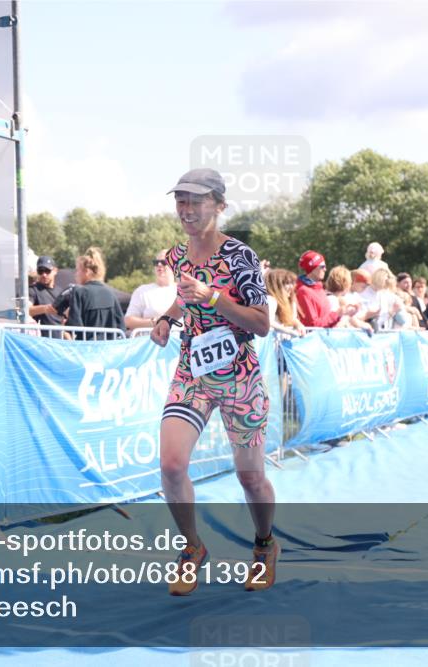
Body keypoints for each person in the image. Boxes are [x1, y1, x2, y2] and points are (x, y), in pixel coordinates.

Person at [149, 168, 277, 596]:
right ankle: (192, 549)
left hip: (240, 376)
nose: (186, 209)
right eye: (181, 200)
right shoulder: (177, 256)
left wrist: (214, 298)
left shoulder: (241, 257)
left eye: (196, 201)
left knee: (250, 478)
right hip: (193, 373)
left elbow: (261, 323)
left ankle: (263, 546)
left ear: (220, 207)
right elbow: (183, 298)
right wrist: (168, 318)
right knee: (170, 465)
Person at [53, 247, 124, 340]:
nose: (76, 274)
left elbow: (75, 326)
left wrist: (65, 324)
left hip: (87, 349)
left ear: (86, 272)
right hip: (108, 349)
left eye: (77, 270)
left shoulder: (79, 292)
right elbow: (121, 326)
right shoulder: (110, 293)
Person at [124, 249, 177, 331]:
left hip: (177, 341)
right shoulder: (142, 291)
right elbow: (128, 321)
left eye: (164, 262)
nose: (159, 264)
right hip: (149, 341)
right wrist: (154, 322)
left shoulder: (183, 290)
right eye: (156, 262)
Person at [295, 250, 341, 328]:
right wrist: (337, 314)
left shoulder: (319, 289)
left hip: (321, 338)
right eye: (322, 266)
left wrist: (342, 316)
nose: (325, 269)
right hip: (311, 339)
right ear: (312, 268)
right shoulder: (303, 291)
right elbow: (312, 325)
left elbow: (326, 321)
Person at [28, 256, 64, 337]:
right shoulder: (33, 290)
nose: (44, 275)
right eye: (40, 271)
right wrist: (46, 309)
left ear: (55, 271)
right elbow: (26, 309)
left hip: (60, 341)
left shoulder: (60, 291)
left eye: (47, 271)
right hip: (42, 342)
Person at [265, 268, 305, 337]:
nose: (291, 287)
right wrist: (290, 332)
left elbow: (292, 319)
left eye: (292, 283)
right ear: (276, 285)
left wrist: (299, 325)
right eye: (287, 283)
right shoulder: (271, 300)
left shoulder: (291, 301)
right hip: (270, 344)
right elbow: (268, 322)